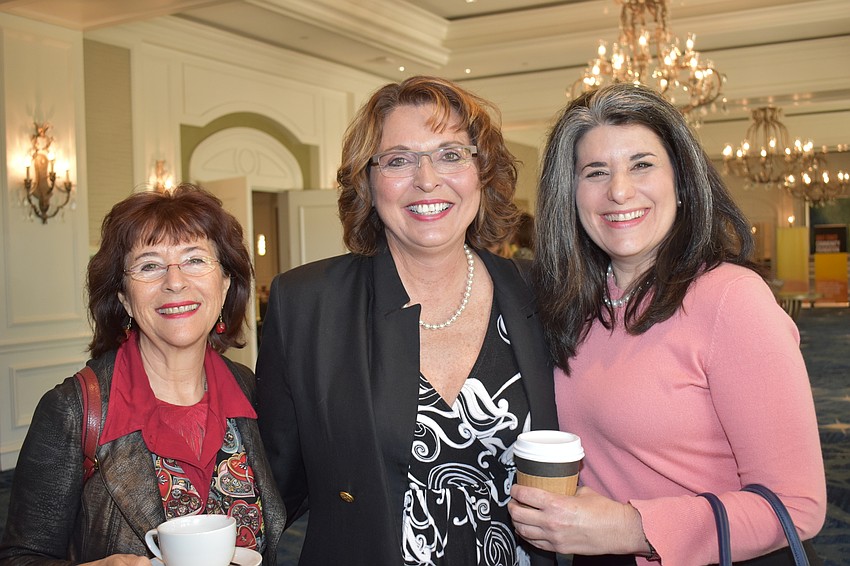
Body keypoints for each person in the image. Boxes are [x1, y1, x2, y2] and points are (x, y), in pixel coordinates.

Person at [508, 83, 826, 565]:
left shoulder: (730, 299)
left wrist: (631, 528)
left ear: (680, 180)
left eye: (642, 164)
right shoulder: (571, 305)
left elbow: (797, 508)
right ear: (569, 195)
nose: (618, 190)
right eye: (596, 172)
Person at [256, 75, 559, 566]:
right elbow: (274, 486)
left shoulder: (539, 293)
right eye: (398, 160)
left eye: (450, 154)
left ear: (481, 171)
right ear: (368, 181)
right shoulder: (307, 304)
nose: (426, 179)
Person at [0, 184, 285, 565]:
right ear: (123, 298)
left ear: (226, 283)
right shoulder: (72, 410)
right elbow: (21, 556)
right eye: (149, 265)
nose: (175, 281)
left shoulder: (250, 390)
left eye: (195, 260)